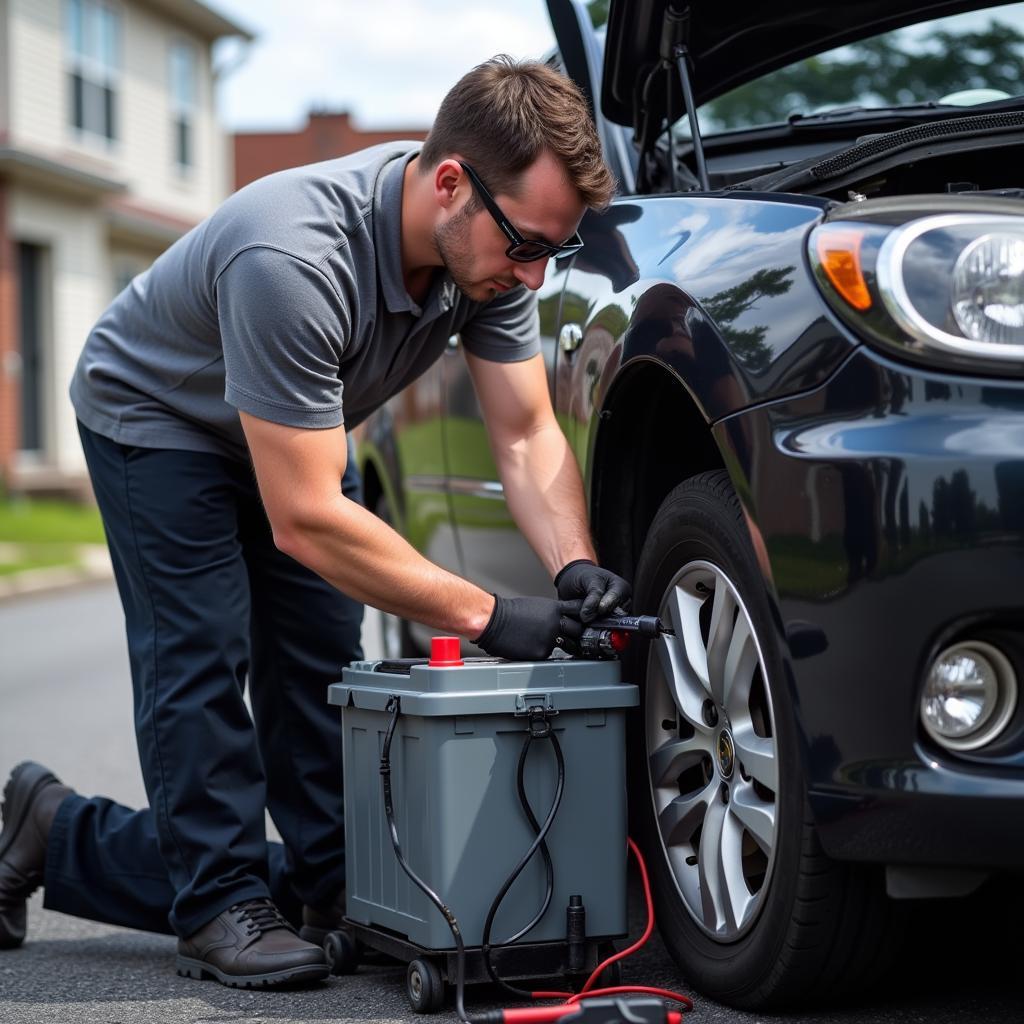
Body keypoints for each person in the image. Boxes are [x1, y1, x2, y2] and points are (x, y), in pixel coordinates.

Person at [0, 56, 630, 987]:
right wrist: (494, 616)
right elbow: (305, 518)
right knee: (201, 650)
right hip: (162, 417)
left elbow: (529, 433)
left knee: (320, 658)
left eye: (553, 250)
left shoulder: (487, 261)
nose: (534, 272)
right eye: (524, 243)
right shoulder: (291, 255)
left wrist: (572, 566)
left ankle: (119, 844)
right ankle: (218, 908)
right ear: (450, 182)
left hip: (289, 435)